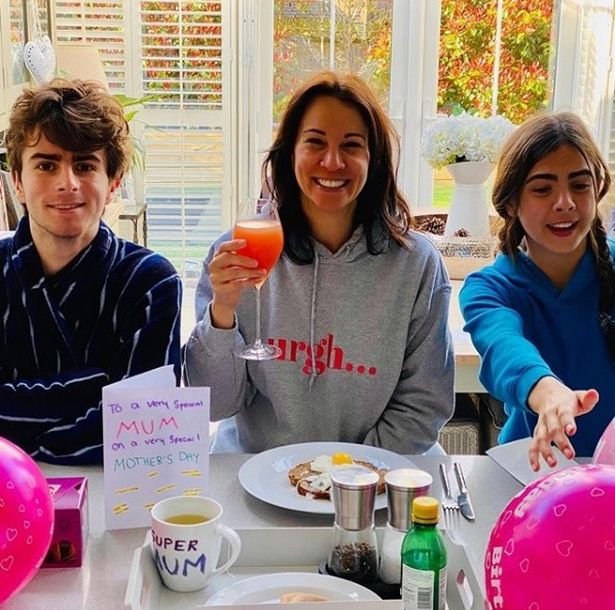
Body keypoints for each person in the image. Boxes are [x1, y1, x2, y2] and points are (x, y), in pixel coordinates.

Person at [185, 71, 454, 454]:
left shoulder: (417, 266)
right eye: (315, 142)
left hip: (371, 480)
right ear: (290, 152)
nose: (332, 161)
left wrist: (342, 478)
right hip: (256, 474)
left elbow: (424, 405)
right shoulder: (239, 254)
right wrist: (222, 311)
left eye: (352, 145)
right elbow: (214, 405)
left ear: (373, 160)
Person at [0, 78, 182, 464]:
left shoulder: (151, 282)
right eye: (46, 165)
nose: (67, 183)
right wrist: (98, 385)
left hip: (118, 499)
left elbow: (144, 428)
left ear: (113, 182)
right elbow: (115, 420)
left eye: (84, 165)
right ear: (17, 181)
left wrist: (24, 440)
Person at [460, 111, 615, 470]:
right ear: (511, 202)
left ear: (597, 190)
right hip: (531, 477)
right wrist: (549, 394)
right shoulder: (489, 288)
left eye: (579, 184)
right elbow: (504, 348)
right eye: (543, 189)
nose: (565, 202)